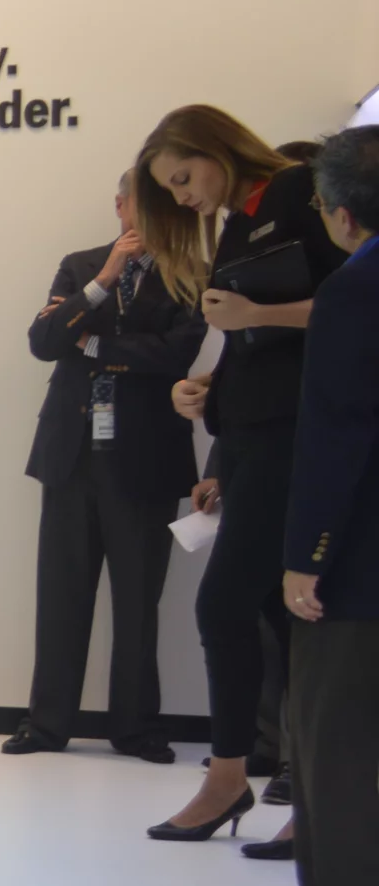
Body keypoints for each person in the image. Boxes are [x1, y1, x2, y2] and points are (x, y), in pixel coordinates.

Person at [134, 106, 349, 840]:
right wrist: (206, 393)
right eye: (172, 189)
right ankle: (308, 796)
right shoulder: (237, 223)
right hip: (255, 438)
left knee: (227, 606)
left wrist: (256, 311)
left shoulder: (296, 193)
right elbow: (251, 342)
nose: (184, 197)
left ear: (212, 147)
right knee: (277, 618)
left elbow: (351, 305)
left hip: (299, 438)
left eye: (184, 177)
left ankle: (231, 780)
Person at [6, 172, 206, 761]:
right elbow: (44, 340)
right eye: (135, 205)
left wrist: (89, 343)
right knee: (61, 594)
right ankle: (46, 725)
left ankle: (137, 727)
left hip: (146, 456)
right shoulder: (81, 265)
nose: (143, 218)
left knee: (140, 600)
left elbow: (175, 353)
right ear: (119, 206)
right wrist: (100, 285)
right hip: (72, 453)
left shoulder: (188, 274)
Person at [252, 127, 379, 886]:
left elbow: (338, 429)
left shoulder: (356, 288)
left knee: (330, 735)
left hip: (364, 559)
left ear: (336, 214)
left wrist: (310, 552)